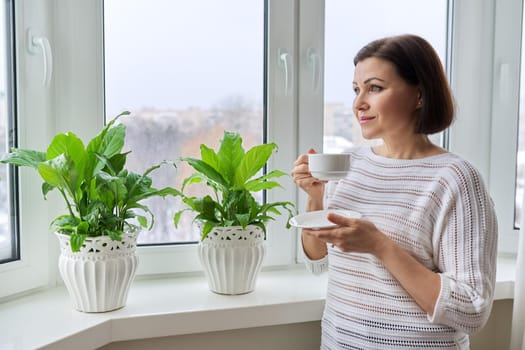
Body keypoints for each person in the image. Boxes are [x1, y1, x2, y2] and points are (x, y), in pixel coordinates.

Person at [291, 34, 498, 349]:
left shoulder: (455, 179)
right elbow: (318, 262)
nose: (359, 102)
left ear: (419, 94)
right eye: (356, 89)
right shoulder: (351, 166)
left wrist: (379, 245)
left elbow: (471, 310)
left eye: (375, 88)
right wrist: (316, 196)